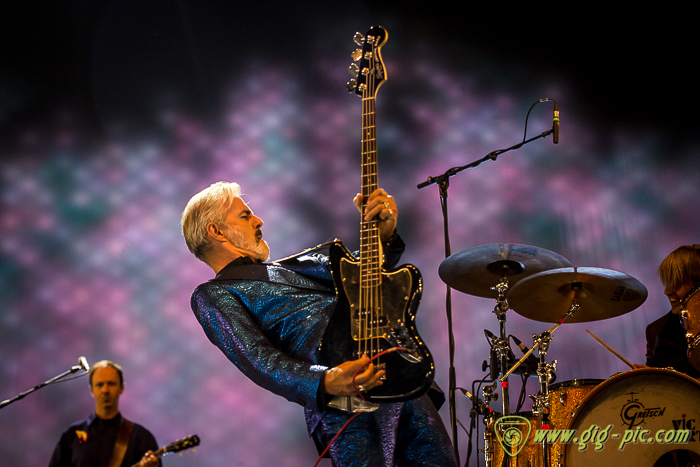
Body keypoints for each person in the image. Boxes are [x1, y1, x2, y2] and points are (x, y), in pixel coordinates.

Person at [181, 181, 457, 467]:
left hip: (399, 376)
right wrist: (326, 380)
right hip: (343, 400)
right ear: (217, 231)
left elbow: (363, 276)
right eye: (245, 215)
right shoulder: (213, 293)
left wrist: (383, 237)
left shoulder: (296, 266)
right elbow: (259, 359)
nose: (259, 221)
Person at [48, 360, 160, 467]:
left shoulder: (141, 437)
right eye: (99, 385)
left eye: (111, 384)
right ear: (91, 390)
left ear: (122, 388)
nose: (105, 390)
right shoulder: (71, 435)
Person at [635, 244, 700, 378]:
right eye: (667, 284)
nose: (667, 292)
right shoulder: (655, 331)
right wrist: (648, 374)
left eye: (677, 284)